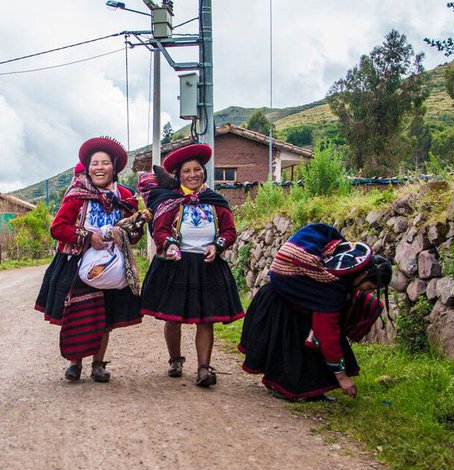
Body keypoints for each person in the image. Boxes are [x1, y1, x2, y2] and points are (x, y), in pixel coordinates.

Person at [238, 223, 392, 401]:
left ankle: (309, 389)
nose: (367, 291)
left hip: (291, 301)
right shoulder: (331, 287)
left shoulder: (336, 271)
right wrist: (342, 377)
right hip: (281, 304)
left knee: (309, 342)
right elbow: (327, 334)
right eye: (370, 286)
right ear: (363, 274)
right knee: (294, 346)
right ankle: (285, 387)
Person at [35, 136, 145, 382]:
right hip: (78, 262)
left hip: (112, 263)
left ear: (114, 167)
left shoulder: (126, 197)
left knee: (105, 315)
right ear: (87, 167)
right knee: (79, 311)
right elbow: (58, 228)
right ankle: (75, 362)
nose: (99, 168)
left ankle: (98, 363)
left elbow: (136, 234)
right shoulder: (77, 195)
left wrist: (128, 232)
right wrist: (87, 237)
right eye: (94, 163)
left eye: (105, 163)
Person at [138, 144, 243, 387]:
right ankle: (175, 359)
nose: (193, 174)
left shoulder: (215, 201)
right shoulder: (170, 201)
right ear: (179, 175)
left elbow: (229, 231)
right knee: (172, 318)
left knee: (206, 319)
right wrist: (169, 245)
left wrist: (217, 245)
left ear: (204, 173)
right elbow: (160, 230)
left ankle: (204, 369)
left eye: (197, 170)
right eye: (187, 171)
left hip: (208, 265)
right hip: (176, 264)